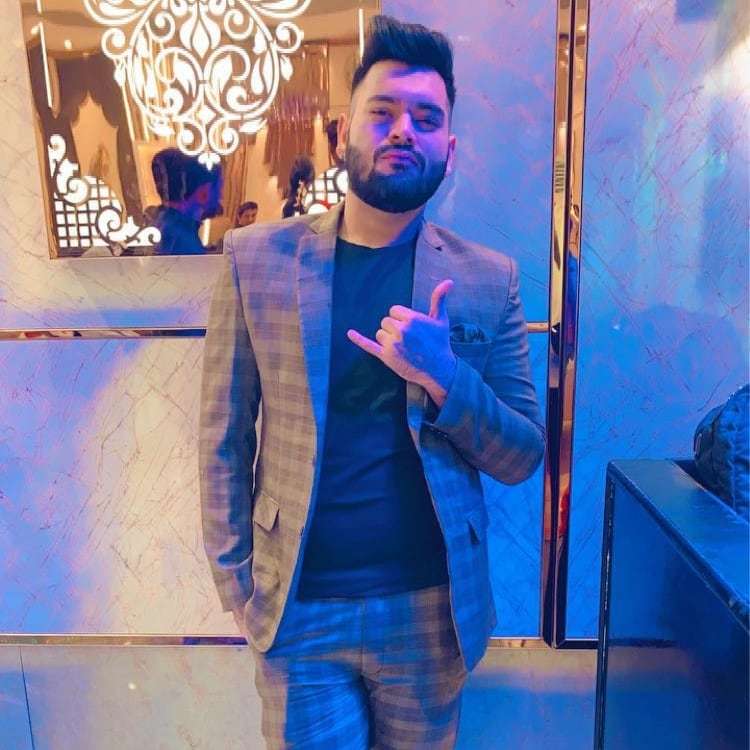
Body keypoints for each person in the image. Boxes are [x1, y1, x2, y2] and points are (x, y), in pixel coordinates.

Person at [200, 15, 544, 749]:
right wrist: (237, 582)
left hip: (432, 609)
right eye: (381, 112)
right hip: (298, 605)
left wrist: (445, 376)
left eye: (426, 119)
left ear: (449, 150)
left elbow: (522, 454)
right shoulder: (255, 260)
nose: (403, 131)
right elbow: (222, 436)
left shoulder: (489, 279)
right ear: (341, 132)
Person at [146, 148, 223, 255]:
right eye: (218, 188)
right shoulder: (182, 239)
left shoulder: (166, 223)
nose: (220, 195)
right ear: (204, 192)